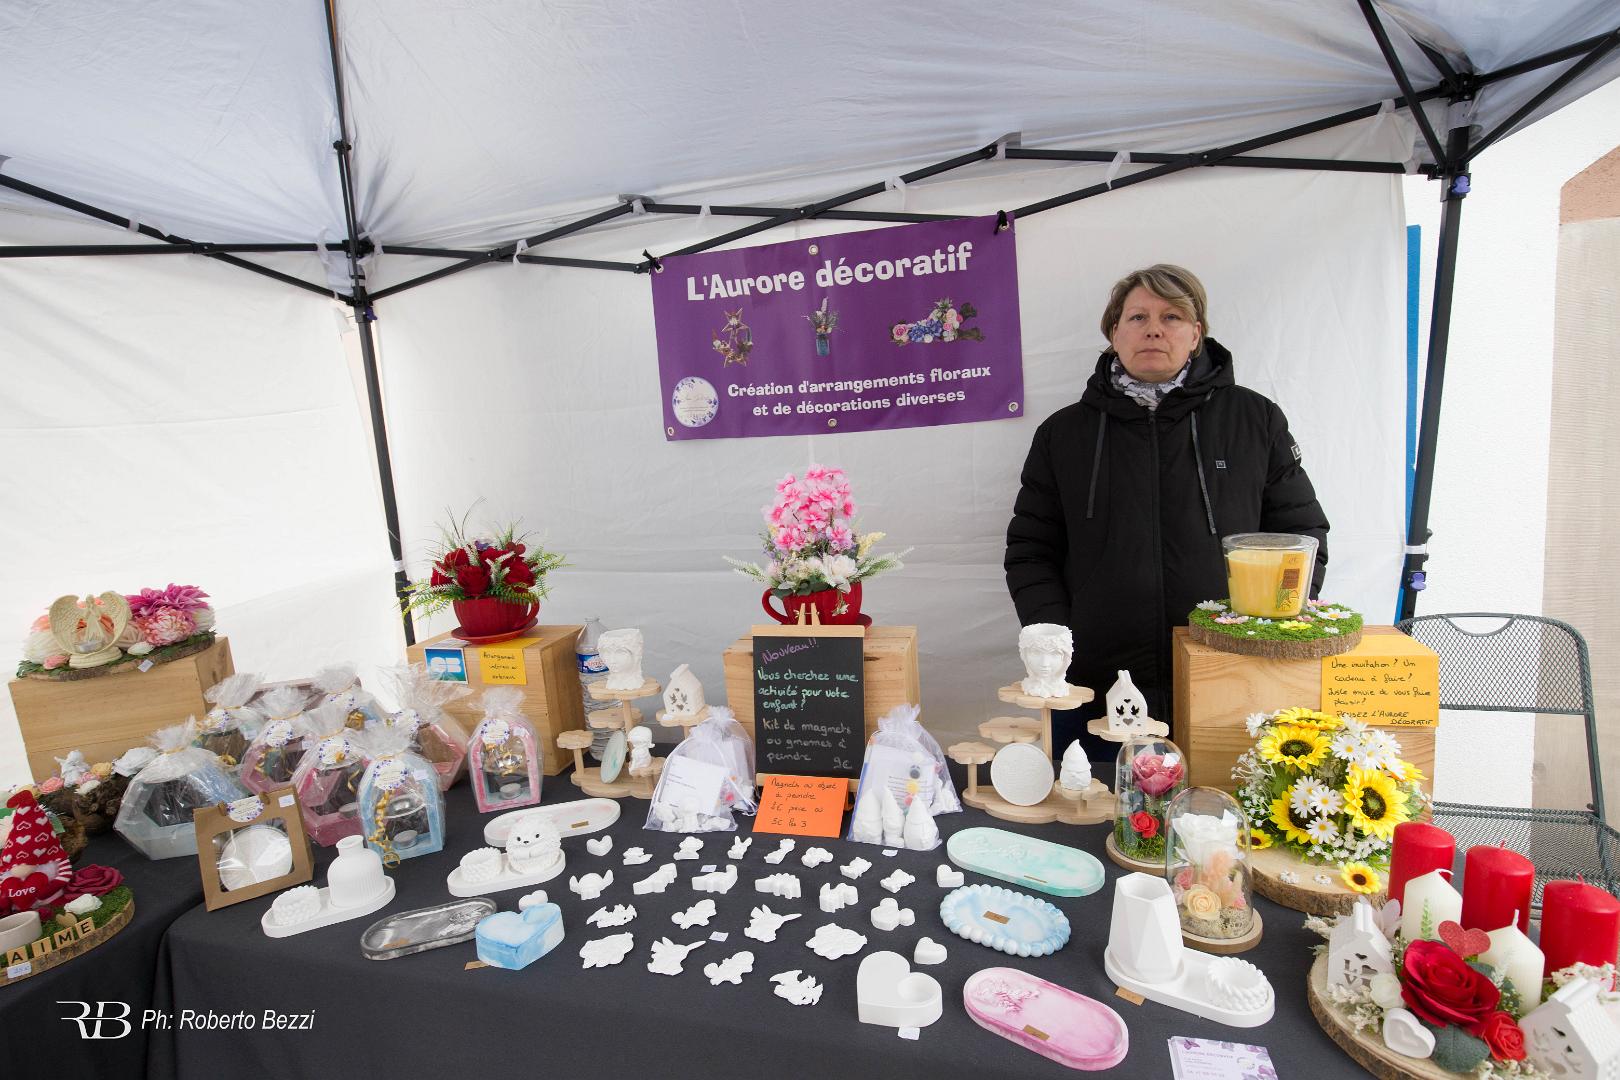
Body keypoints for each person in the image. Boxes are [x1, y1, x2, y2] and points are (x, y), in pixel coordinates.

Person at [1005, 264, 1328, 761]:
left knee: (1220, 805)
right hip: (1094, 683)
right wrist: (1057, 641)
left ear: (1196, 335)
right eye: (1137, 317)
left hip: (1227, 674)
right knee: (1092, 800)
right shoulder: (1063, 433)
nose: (1154, 329)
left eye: (1171, 316)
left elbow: (1300, 537)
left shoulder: (1254, 418)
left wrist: (1270, 633)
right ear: (1114, 333)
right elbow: (1031, 550)